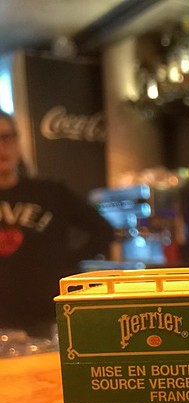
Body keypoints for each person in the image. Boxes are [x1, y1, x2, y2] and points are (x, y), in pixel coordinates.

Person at [0, 110, 114, 337]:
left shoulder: (50, 193)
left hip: (47, 318)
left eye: (7, 137)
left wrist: (67, 264)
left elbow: (103, 231)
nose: (1, 147)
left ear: (18, 141)